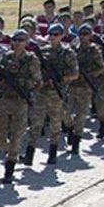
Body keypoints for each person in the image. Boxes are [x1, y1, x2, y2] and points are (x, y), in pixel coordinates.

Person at [0, 29, 42, 183]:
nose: (17, 43)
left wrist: (28, 92)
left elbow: (38, 81)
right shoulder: (6, 57)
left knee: (16, 135)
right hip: (6, 99)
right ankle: (12, 152)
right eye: (14, 40)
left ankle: (10, 167)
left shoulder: (31, 60)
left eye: (20, 40)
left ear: (26, 42)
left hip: (21, 101)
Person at [27, 23, 78, 165]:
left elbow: (75, 74)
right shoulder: (42, 52)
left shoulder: (68, 53)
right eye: (51, 34)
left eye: (56, 35)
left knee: (56, 122)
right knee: (36, 123)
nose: (53, 37)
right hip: (42, 92)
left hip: (57, 92)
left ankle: (53, 152)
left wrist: (60, 78)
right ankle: (29, 154)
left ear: (62, 35)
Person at [68, 24, 104, 153]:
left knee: (81, 114)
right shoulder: (73, 48)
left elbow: (101, 68)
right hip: (72, 86)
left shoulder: (94, 50)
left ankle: (76, 141)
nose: (83, 37)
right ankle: (71, 130)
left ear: (90, 35)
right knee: (66, 113)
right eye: (81, 34)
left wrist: (89, 74)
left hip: (85, 87)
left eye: (86, 34)